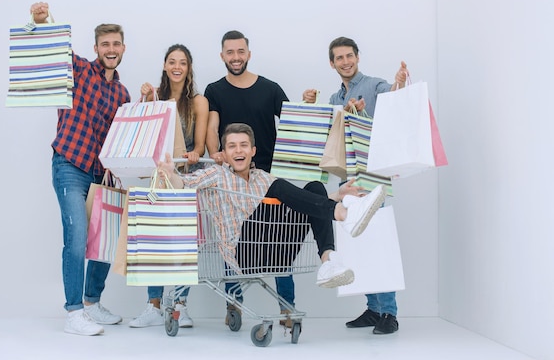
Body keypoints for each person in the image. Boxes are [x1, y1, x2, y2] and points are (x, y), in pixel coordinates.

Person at [157, 123, 387, 293]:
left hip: (277, 251)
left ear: (253, 151)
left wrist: (338, 194)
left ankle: (328, 261)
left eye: (244, 145)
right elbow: (184, 185)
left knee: (315, 187)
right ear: (224, 154)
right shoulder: (216, 174)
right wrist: (171, 174)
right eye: (232, 146)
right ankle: (344, 214)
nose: (239, 151)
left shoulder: (262, 178)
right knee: (277, 188)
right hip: (244, 253)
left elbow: (303, 200)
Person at [29, 2, 130, 336]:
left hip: (101, 173)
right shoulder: (80, 71)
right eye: (105, 44)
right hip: (70, 165)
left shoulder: (122, 92)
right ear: (96, 48)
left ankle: (91, 303)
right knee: (77, 237)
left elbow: (124, 136)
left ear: (123, 48)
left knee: (104, 238)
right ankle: (73, 313)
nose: (111, 49)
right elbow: (56, 49)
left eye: (116, 44)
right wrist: (42, 21)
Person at [303, 36, 409, 335]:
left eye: (349, 56)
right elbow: (327, 137)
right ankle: (373, 308)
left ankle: (389, 312)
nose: (345, 61)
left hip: (374, 174)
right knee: (357, 242)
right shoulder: (335, 99)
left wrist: (399, 81)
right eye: (339, 58)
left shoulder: (374, 85)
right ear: (332, 63)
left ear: (357, 57)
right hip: (348, 178)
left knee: (377, 240)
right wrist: (311, 106)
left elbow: (394, 98)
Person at [203, 30, 295, 326]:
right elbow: (212, 126)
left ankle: (287, 308)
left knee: (280, 242)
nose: (236, 57)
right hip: (232, 181)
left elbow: (293, 122)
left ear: (249, 53)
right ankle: (234, 304)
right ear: (222, 56)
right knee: (233, 239)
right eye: (230, 52)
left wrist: (308, 103)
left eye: (240, 51)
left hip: (268, 181)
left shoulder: (270, 89)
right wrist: (216, 153)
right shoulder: (214, 90)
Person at [129, 44, 209, 330]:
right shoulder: (157, 97)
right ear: (165, 65)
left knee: (184, 244)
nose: (177, 67)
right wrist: (145, 98)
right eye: (172, 62)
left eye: (183, 63)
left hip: (185, 178)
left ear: (189, 68)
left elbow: (199, 146)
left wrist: (194, 153)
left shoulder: (198, 101)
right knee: (153, 242)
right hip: (158, 178)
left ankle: (179, 305)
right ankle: (153, 305)